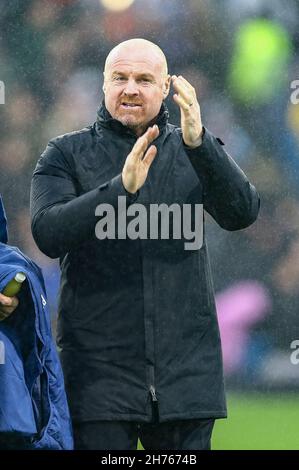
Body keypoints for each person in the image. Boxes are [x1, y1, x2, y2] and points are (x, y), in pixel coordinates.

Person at [28, 38, 260, 450]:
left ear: (166, 87)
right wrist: (120, 190)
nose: (130, 88)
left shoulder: (195, 150)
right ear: (103, 86)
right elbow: (48, 234)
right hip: (97, 380)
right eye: (119, 78)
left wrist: (201, 144)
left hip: (186, 379)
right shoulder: (65, 154)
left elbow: (242, 212)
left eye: (144, 79)